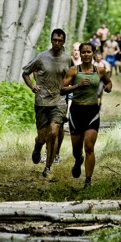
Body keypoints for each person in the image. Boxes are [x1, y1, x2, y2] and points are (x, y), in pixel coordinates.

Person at [60, 42, 112, 188]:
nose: (86, 54)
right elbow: (62, 89)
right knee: (77, 149)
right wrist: (77, 86)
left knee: (89, 146)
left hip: (92, 112)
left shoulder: (100, 71)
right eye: (83, 52)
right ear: (80, 54)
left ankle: (88, 180)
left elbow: (109, 82)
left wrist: (108, 87)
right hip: (76, 112)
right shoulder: (73, 70)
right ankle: (78, 160)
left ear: (93, 53)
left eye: (89, 52)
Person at [22, 28, 71, 179]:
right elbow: (25, 73)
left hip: (59, 100)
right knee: (43, 137)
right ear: (51, 40)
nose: (57, 43)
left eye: (60, 40)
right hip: (42, 101)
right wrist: (32, 86)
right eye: (54, 40)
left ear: (64, 42)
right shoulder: (41, 57)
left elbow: (73, 76)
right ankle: (38, 146)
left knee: (54, 133)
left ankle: (48, 167)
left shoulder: (67, 59)